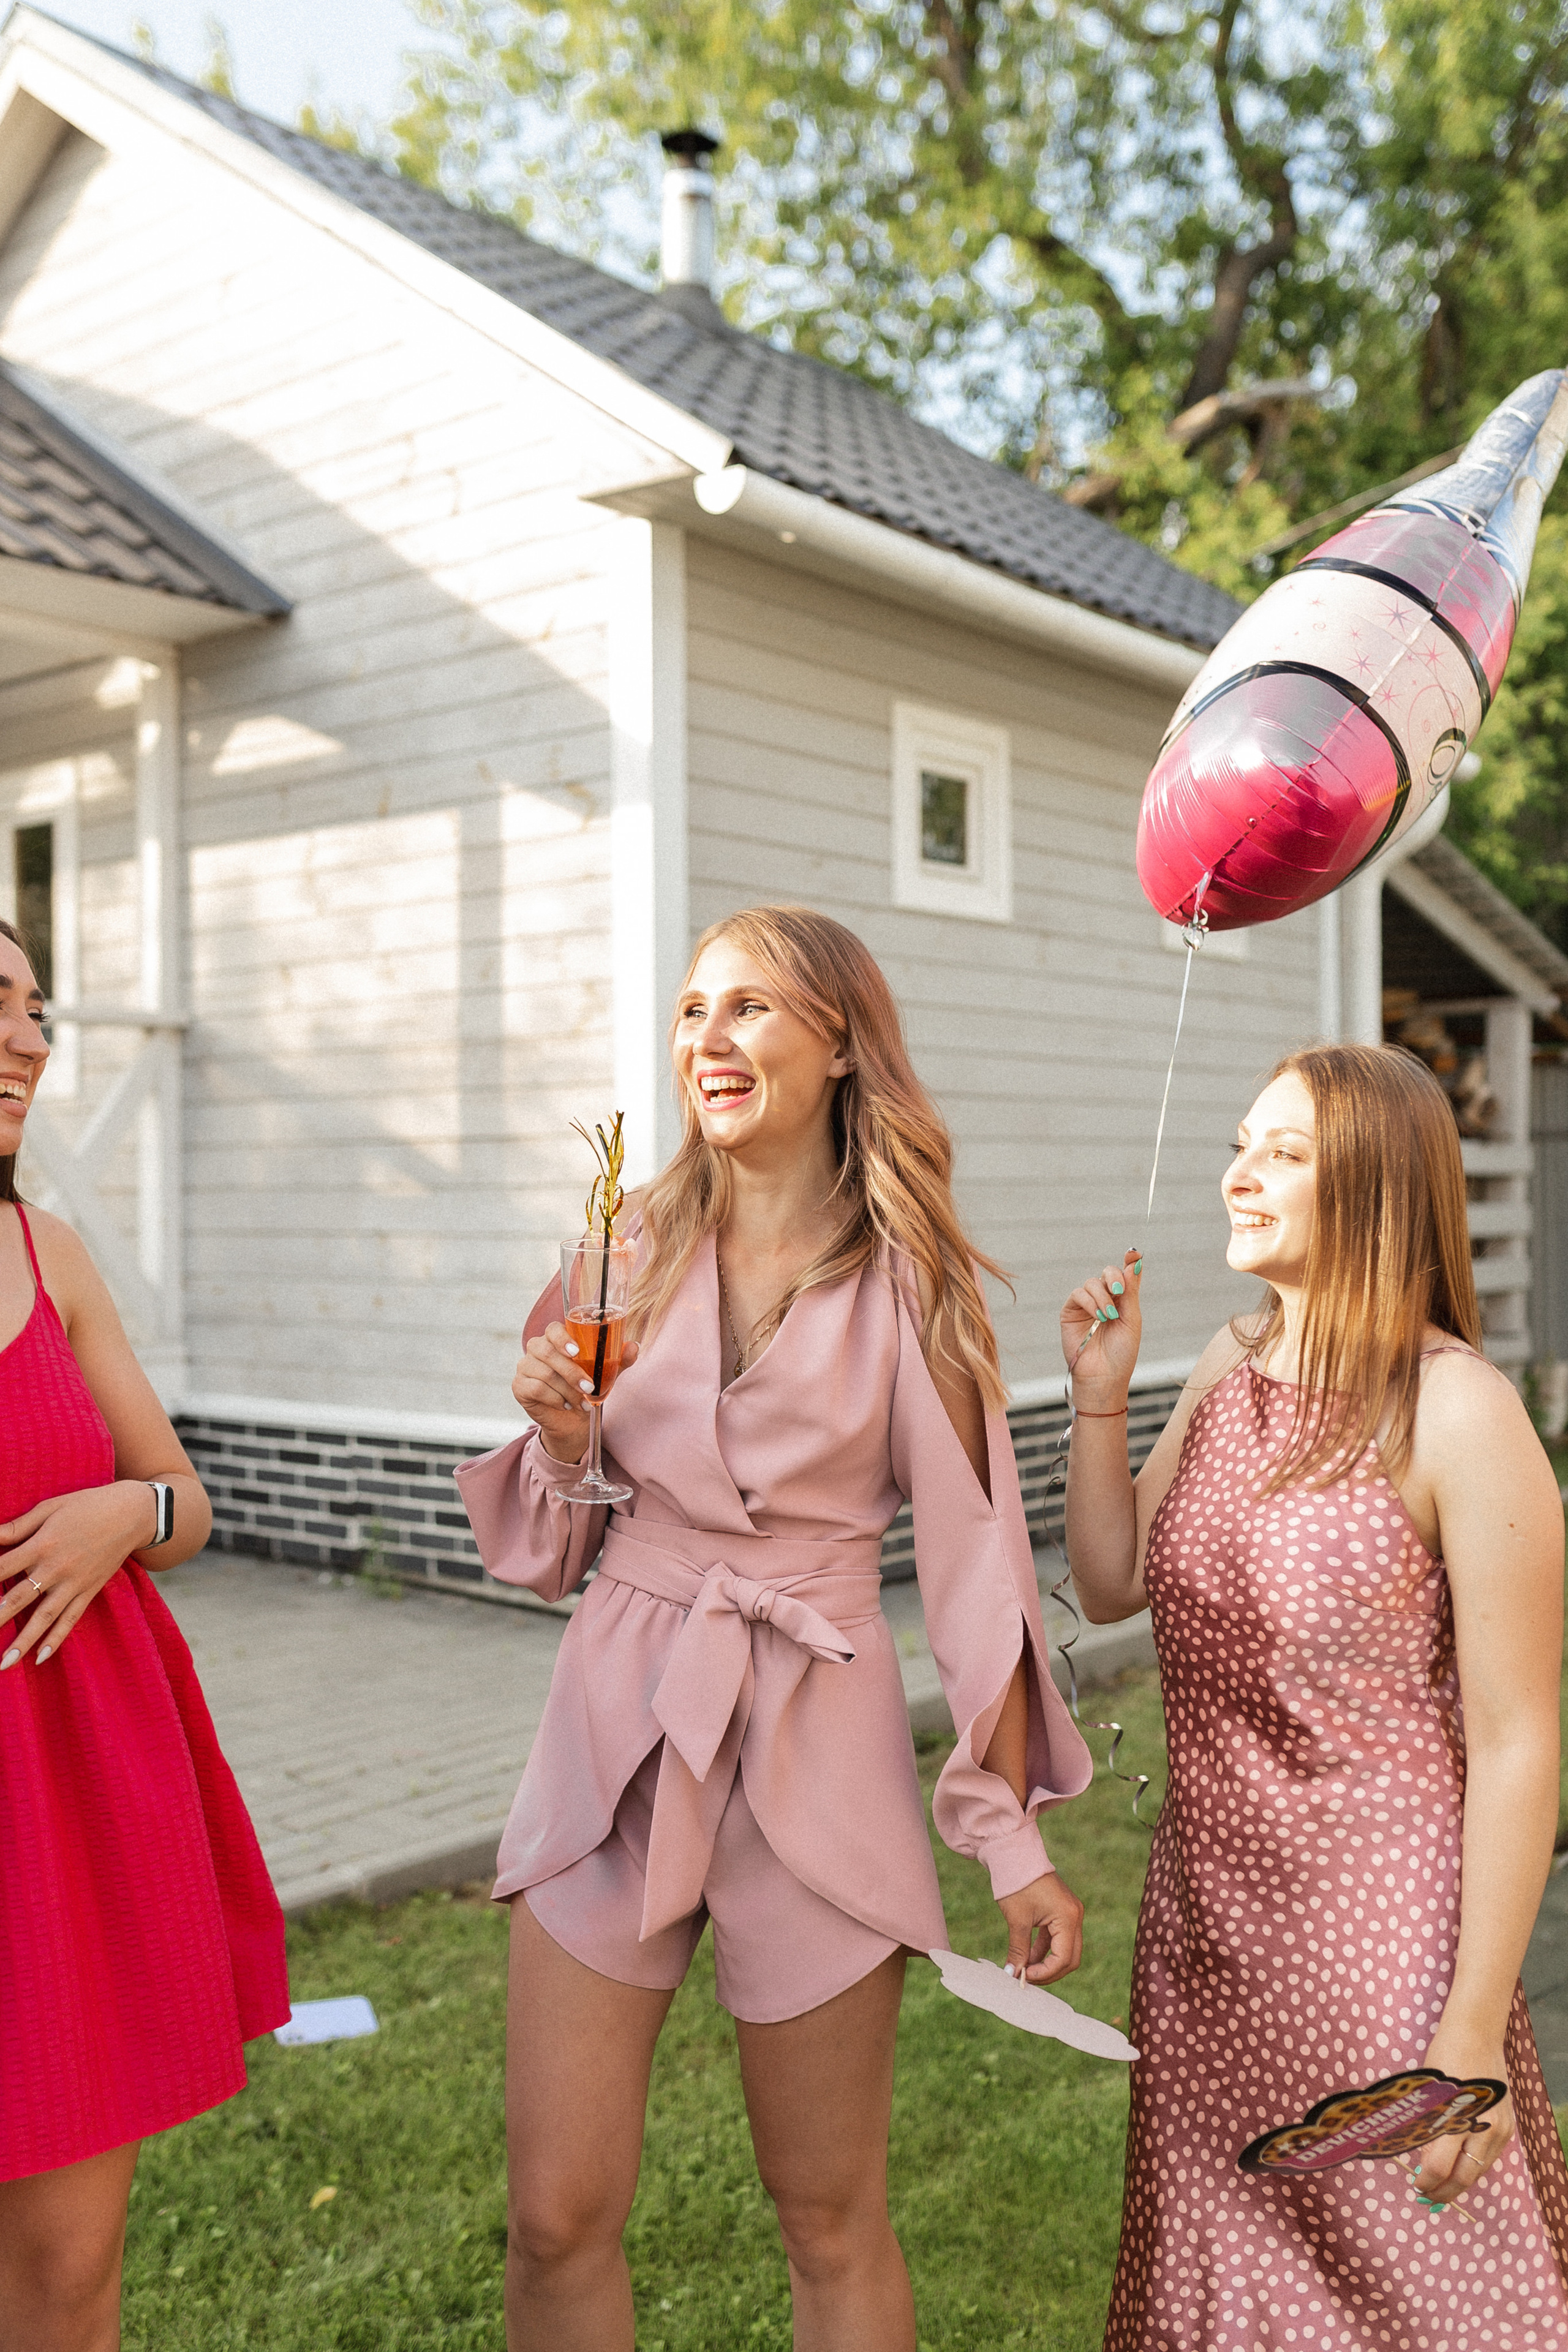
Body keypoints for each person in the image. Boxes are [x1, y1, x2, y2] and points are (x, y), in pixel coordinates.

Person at [457, 903, 1093, 2351]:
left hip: (815, 1738)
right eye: (692, 1011)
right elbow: (554, 1546)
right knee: (555, 2212)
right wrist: (560, 1433)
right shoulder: (617, 1250)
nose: (708, 1038)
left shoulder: (915, 1287)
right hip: (616, 1723)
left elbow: (977, 1574)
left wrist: (1009, 1840)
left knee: (826, 2215)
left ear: (838, 1045)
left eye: (748, 1007)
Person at [1062, 1042, 1568, 2350]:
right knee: (1225, 2300)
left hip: (1386, 1961)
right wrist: (1099, 1404)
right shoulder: (1234, 1357)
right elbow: (1113, 1579)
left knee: (1419, 2301)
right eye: (1239, 1143)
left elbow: (1518, 1741)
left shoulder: (1456, 1410)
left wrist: (1467, 2034)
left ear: (1376, 1188)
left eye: (1281, 1153)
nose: (1238, 1174)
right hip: (1205, 1939)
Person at [0, 919, 288, 2352]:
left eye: (36, 1010)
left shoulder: (51, 1252)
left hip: (76, 1809)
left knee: (67, 2270)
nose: (29, 1042)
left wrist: (123, 1509)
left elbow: (186, 1502)